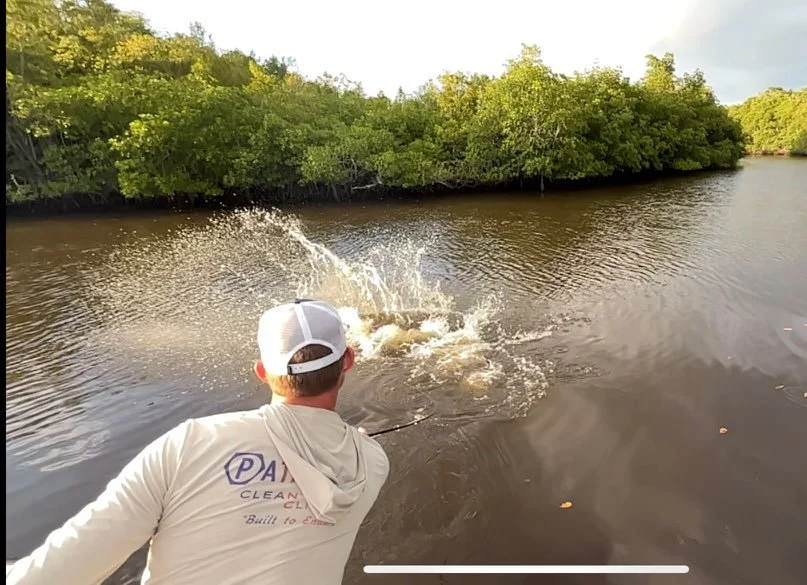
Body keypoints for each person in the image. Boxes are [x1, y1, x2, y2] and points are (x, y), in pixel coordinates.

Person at [7, 299, 390, 585]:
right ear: (348, 360)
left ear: (261, 372)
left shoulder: (189, 443)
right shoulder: (371, 464)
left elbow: (64, 566)